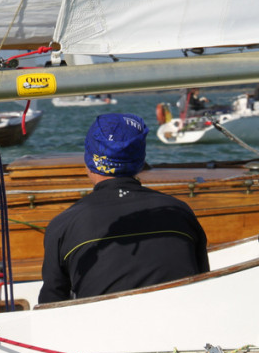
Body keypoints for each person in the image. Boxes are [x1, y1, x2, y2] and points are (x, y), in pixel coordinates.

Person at [38, 113, 209, 304]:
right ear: (141, 160)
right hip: (179, 325)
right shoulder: (179, 212)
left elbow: (51, 306)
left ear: (89, 162)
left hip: (104, 330)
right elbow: (202, 283)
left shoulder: (63, 225)